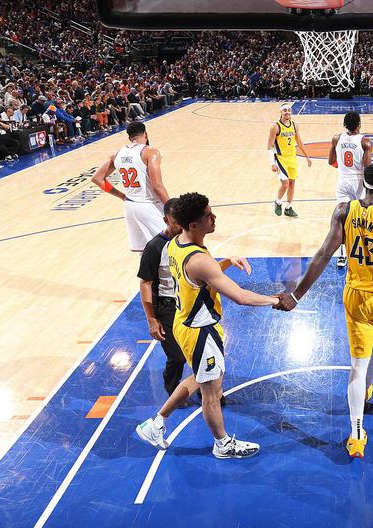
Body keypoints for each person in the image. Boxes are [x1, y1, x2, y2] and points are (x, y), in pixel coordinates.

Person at [275, 164, 373, 458]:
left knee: (357, 367)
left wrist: (297, 295)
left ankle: (356, 433)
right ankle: (366, 390)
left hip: (355, 298)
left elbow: (323, 254)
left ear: (364, 184)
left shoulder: (343, 210)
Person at [136, 192, 280, 459]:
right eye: (207, 215)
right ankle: (222, 444)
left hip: (185, 323)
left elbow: (200, 279)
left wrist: (224, 263)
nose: (214, 217)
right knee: (212, 394)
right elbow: (241, 296)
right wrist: (276, 300)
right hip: (200, 330)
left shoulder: (177, 243)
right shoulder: (199, 259)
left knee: (199, 378)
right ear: (193, 224)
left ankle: (156, 423)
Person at [91, 121, 170, 251]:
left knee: (145, 252)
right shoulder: (151, 152)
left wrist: (122, 196)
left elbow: (97, 179)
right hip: (149, 205)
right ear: (145, 134)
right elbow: (157, 186)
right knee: (169, 247)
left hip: (130, 206)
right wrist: (171, 208)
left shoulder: (117, 154)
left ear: (129, 137)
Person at [137, 198, 186, 396]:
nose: (181, 226)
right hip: (167, 307)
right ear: (166, 220)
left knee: (199, 351)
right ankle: (172, 388)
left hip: (189, 303)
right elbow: (145, 284)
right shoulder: (154, 247)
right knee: (178, 356)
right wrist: (151, 319)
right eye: (176, 222)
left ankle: (208, 390)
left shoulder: (189, 240)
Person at [328, 111, 373, 268]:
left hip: (343, 180)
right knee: (362, 218)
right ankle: (363, 251)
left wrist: (343, 168)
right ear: (359, 124)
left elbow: (331, 161)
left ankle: (341, 255)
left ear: (345, 125)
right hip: (359, 181)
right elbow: (368, 168)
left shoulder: (336, 138)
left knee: (342, 218)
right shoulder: (365, 142)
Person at [268, 103, 312, 217]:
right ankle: (278, 202)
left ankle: (288, 207)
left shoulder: (294, 125)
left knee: (292, 183)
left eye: (289, 110)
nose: (287, 112)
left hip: (292, 157)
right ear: (281, 112)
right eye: (285, 110)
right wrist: (272, 163)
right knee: (285, 184)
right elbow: (270, 146)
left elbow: (299, 142)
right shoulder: (275, 127)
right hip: (281, 158)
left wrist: (307, 156)